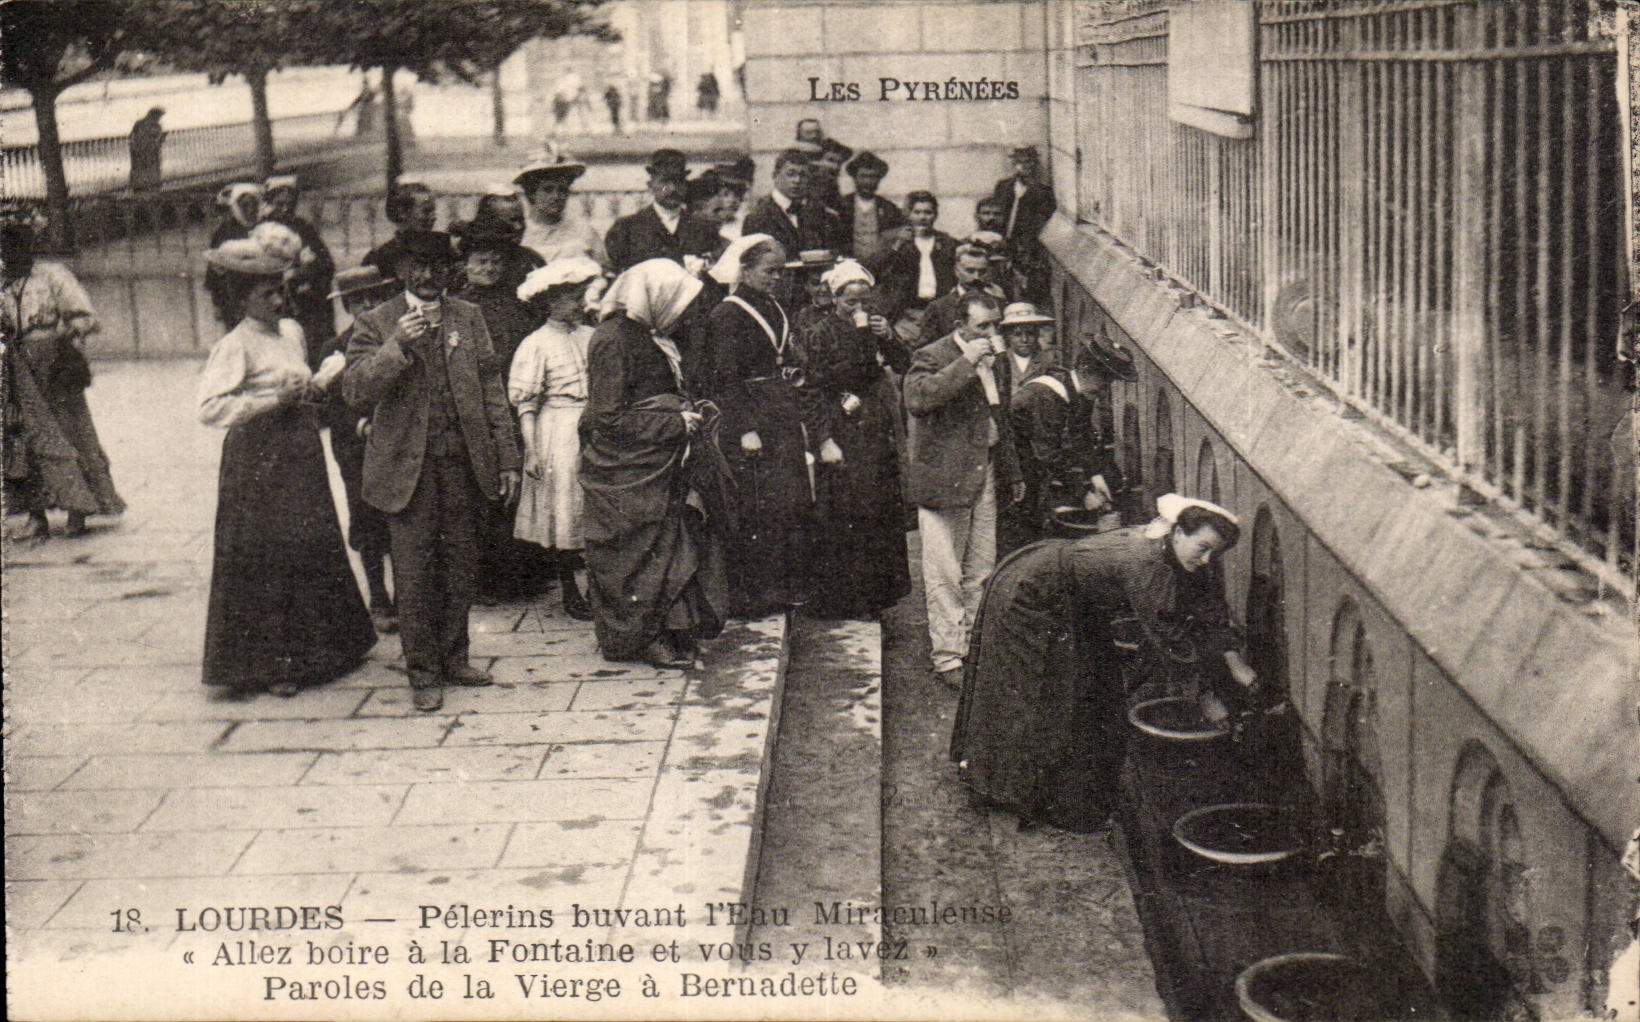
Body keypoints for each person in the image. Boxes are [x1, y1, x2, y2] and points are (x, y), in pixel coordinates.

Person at [950, 495, 1256, 832]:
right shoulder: (1148, 564)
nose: (1207, 558)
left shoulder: (1173, 547)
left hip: (1066, 594)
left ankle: (1065, 792)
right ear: (1179, 532)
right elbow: (1169, 642)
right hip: (1033, 594)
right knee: (1036, 691)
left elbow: (1206, 601)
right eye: (1203, 548)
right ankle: (1006, 791)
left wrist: (1232, 658)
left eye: (1215, 553)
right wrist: (1205, 697)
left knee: (1088, 689)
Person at [343, 230, 521, 713]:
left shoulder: (469, 316)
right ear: (401, 271)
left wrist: (507, 459)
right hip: (407, 472)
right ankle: (423, 672)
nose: (427, 276)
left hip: (463, 465)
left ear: (451, 271)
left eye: (437, 267)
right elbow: (355, 390)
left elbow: (491, 393)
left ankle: (455, 656)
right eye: (416, 267)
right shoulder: (377, 322)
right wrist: (396, 346)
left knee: (461, 565)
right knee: (416, 573)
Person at [197, 237, 374, 696]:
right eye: (267, 294)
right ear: (240, 299)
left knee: (310, 542)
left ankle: (328, 649)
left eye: (281, 290)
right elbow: (211, 408)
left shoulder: (291, 331)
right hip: (258, 459)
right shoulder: (235, 345)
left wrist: (318, 384)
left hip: (299, 452)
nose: (279, 300)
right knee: (269, 554)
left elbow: (302, 388)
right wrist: (272, 399)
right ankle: (274, 662)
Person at [580, 259, 726, 668]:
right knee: (635, 554)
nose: (683, 313)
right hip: (627, 468)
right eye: (677, 302)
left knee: (668, 548)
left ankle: (668, 628)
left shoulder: (650, 335)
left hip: (657, 464)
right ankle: (639, 636)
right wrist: (674, 423)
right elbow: (608, 419)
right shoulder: (612, 339)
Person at [904, 291, 1023, 688]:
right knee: (944, 571)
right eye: (982, 326)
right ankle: (948, 656)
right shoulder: (932, 355)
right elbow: (919, 398)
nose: (992, 334)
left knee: (981, 566)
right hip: (946, 478)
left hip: (984, 472)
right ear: (960, 325)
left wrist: (1013, 472)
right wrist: (967, 361)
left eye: (996, 325)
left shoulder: (999, 362)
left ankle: (973, 645)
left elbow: (999, 418)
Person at [706, 235, 829, 617]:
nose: (777, 278)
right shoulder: (727, 314)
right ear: (744, 270)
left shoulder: (775, 307)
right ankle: (751, 594)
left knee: (788, 502)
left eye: (781, 271)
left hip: (780, 413)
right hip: (751, 418)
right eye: (769, 271)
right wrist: (744, 428)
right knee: (755, 505)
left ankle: (784, 585)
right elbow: (725, 377)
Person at [799, 259, 911, 619]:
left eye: (865, 302)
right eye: (851, 303)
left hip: (874, 427)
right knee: (849, 511)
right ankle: (846, 599)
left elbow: (905, 364)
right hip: (842, 426)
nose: (859, 310)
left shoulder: (874, 328)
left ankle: (876, 596)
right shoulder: (820, 333)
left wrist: (889, 336)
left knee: (878, 509)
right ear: (834, 299)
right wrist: (823, 439)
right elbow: (812, 391)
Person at [2, 220, 126, 539]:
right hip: (18, 368)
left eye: (15, 248)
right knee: (24, 439)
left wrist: (59, 337)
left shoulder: (53, 276)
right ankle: (35, 515)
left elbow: (85, 317)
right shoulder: (3, 282)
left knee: (69, 433)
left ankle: (78, 510)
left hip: (55, 365)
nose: (9, 257)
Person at [456, 217, 548, 602]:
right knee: (480, 491)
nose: (489, 269)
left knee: (518, 489)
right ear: (465, 265)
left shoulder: (517, 307)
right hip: (474, 409)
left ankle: (521, 574)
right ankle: (480, 579)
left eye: (495, 262)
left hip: (513, 405)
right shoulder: (456, 306)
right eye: (480, 261)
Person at [510, 257, 603, 621]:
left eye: (581, 297)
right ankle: (570, 588)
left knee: (596, 507)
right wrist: (531, 451)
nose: (580, 304)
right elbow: (527, 404)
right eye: (572, 298)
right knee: (564, 509)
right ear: (550, 303)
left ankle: (600, 585)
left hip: (593, 423)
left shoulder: (590, 336)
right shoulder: (535, 344)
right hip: (558, 430)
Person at [318, 266, 399, 634]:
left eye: (373, 297)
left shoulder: (396, 337)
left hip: (396, 442)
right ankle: (378, 595)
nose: (367, 305)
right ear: (347, 307)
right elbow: (330, 406)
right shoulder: (334, 348)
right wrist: (360, 423)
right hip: (357, 447)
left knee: (399, 516)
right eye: (357, 301)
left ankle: (406, 596)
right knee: (367, 521)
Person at [604, 149, 721, 274]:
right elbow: (616, 276)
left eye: (678, 181)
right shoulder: (626, 228)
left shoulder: (704, 228)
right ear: (651, 185)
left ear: (685, 186)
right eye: (665, 182)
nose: (672, 189)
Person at [261, 175, 336, 362]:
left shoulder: (303, 229)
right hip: (276, 302)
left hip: (307, 303)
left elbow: (326, 264)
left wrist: (305, 272)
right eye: (279, 203)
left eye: (290, 203)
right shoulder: (262, 230)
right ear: (270, 203)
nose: (285, 209)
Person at [516, 148, 609, 270]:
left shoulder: (584, 231)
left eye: (562, 190)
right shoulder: (520, 234)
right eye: (548, 190)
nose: (556, 197)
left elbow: (605, 271)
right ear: (531, 193)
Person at [877, 190, 957, 328]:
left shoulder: (945, 242)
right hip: (906, 312)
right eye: (917, 212)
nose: (923, 217)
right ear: (908, 214)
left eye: (928, 212)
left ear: (935, 215)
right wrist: (898, 244)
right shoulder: (893, 239)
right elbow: (877, 268)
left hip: (938, 310)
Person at [992, 146, 1057, 304]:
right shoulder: (1003, 186)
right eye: (1020, 162)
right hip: (1004, 243)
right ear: (1014, 164)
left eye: (1028, 162)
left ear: (1035, 165)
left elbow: (1042, 221)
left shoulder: (1042, 191)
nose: (1024, 167)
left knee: (1025, 289)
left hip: (1026, 249)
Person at [451, 186, 544, 294]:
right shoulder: (464, 257)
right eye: (511, 220)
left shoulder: (531, 259)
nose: (518, 227)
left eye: (521, 220)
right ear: (488, 222)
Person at [916, 242, 1007, 350]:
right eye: (970, 271)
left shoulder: (1000, 305)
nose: (976, 277)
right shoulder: (939, 308)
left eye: (982, 272)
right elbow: (927, 350)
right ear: (956, 271)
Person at [206, 182, 266, 328]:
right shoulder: (225, 232)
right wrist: (217, 304)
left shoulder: (267, 227)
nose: (250, 209)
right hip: (235, 298)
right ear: (235, 207)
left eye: (253, 204)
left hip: (264, 297)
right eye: (244, 205)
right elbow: (215, 271)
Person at [837, 151, 905, 267]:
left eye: (873, 177)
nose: (868, 182)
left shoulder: (889, 208)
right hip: (848, 267)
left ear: (879, 179)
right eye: (863, 176)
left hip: (881, 268)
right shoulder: (841, 205)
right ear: (854, 178)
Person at [362, 179, 437, 280]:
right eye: (426, 211)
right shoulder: (379, 259)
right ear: (402, 213)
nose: (434, 217)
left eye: (434, 211)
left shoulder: (442, 253)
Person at [129, 107, 165, 193]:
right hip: (149, 151)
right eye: (159, 116)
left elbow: (131, 136)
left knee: (139, 170)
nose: (159, 119)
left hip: (139, 151)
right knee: (151, 169)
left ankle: (139, 187)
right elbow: (158, 139)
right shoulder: (156, 126)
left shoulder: (139, 123)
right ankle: (151, 187)